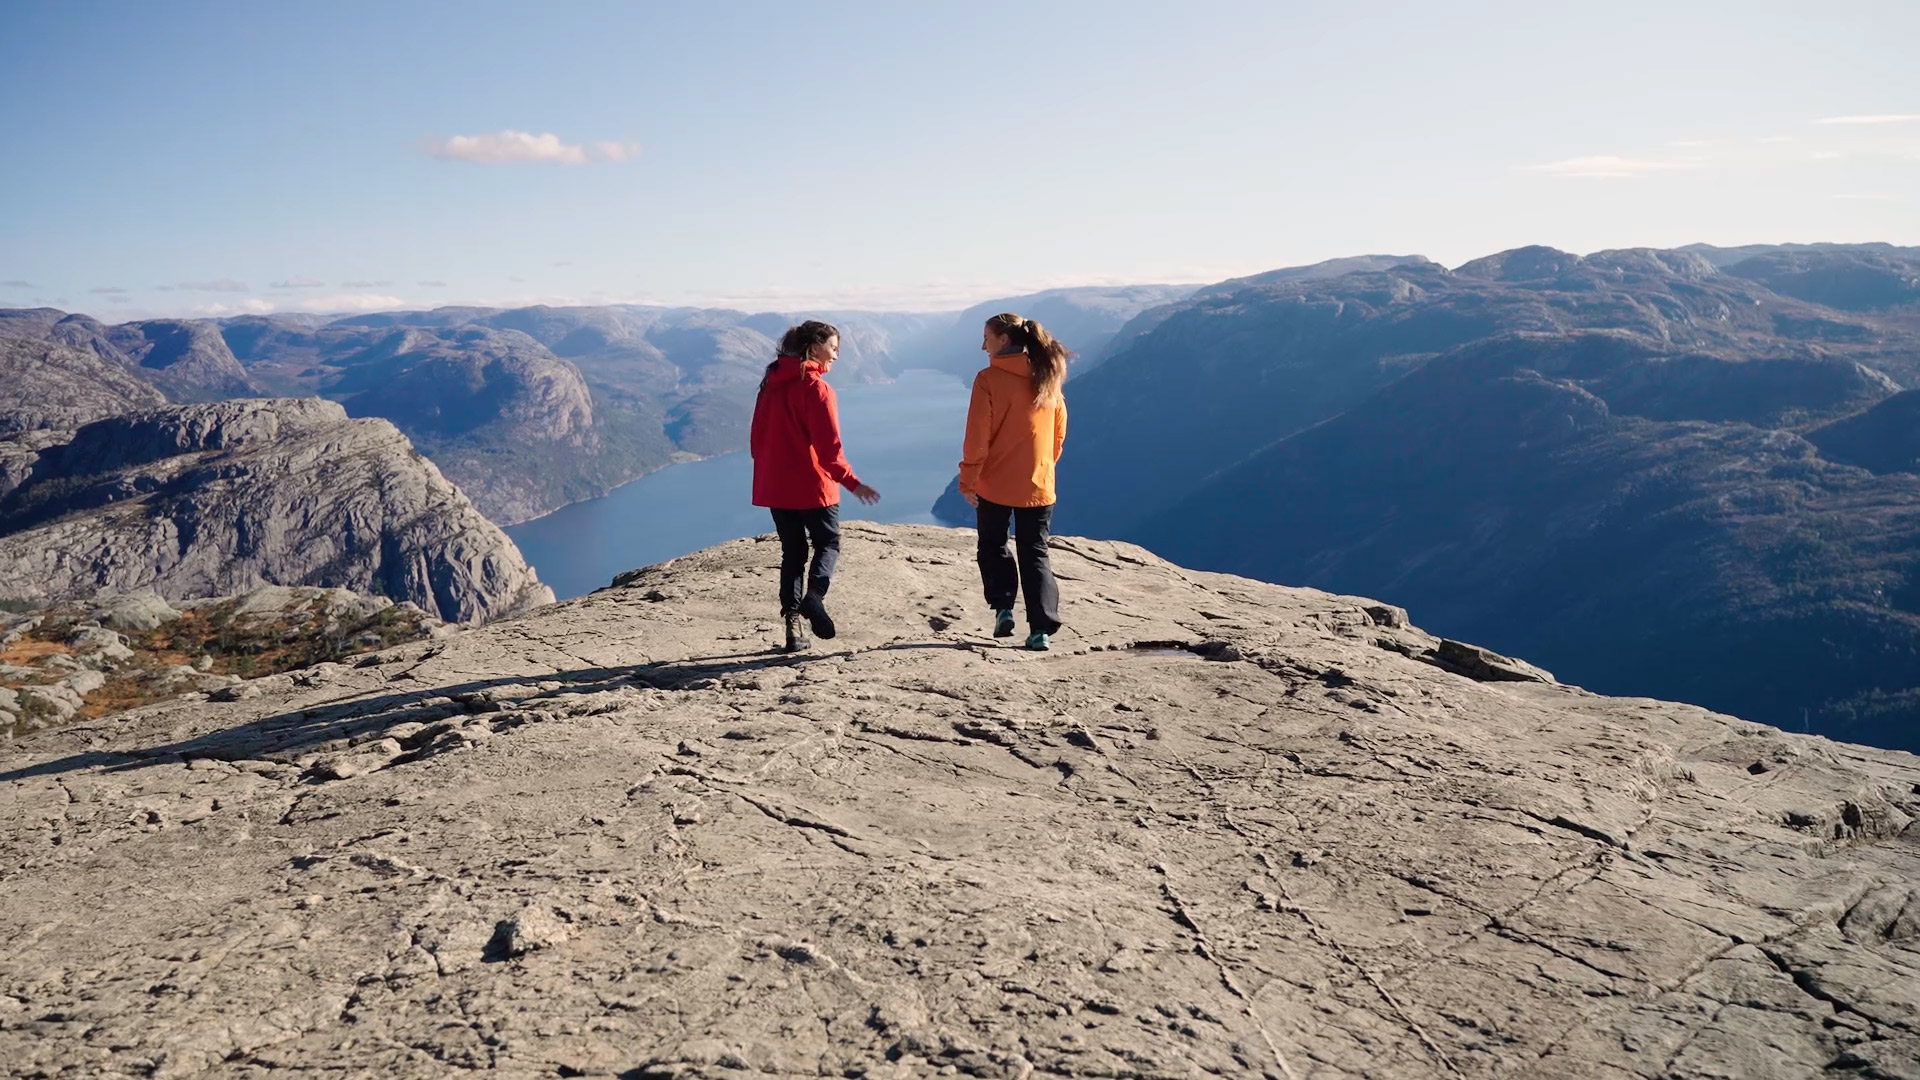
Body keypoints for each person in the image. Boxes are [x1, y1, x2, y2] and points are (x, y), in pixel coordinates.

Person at [750, 320, 881, 652]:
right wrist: (854, 484)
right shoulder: (817, 389)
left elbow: (756, 441)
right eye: (834, 348)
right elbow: (830, 451)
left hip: (777, 486)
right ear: (815, 346)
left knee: (792, 554)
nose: (836, 356)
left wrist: (772, 469)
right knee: (828, 545)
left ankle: (792, 630)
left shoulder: (770, 383)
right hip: (814, 487)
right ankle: (814, 598)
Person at [957, 312, 1069, 650]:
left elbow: (977, 436)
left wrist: (968, 479)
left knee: (992, 545)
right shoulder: (1047, 375)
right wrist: (1043, 466)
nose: (982, 345)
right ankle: (1040, 631)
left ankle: (1004, 608)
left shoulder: (988, 379)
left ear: (1003, 340)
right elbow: (1059, 432)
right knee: (1035, 552)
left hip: (994, 482)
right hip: (1038, 483)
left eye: (987, 338)